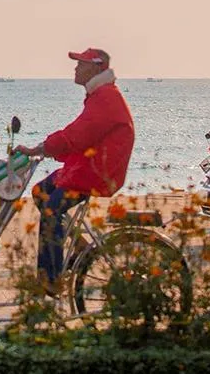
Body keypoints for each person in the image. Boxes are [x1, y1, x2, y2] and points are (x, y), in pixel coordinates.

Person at [17, 47, 135, 290]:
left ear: (96, 67)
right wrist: (49, 150)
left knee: (52, 209)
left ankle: (51, 280)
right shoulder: (99, 95)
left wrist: (40, 149)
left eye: (81, 64)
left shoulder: (106, 98)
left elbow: (77, 134)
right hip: (83, 167)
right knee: (41, 192)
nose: (76, 68)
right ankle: (80, 246)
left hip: (94, 173)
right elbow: (80, 136)